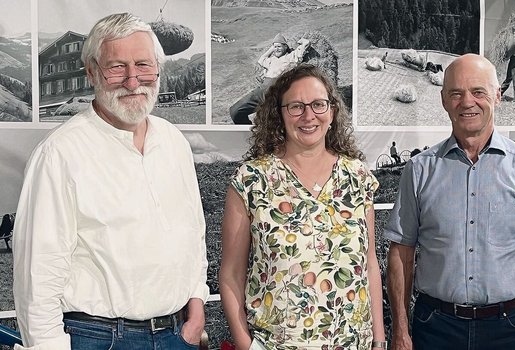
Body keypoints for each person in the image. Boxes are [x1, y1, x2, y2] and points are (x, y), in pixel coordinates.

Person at [13, 13, 209, 350]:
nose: (133, 81)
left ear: (158, 69)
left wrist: (196, 303)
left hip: (178, 334)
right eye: (117, 67)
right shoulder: (60, 153)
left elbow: (193, 231)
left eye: (144, 66)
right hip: (98, 339)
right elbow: (38, 278)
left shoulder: (174, 142)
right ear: (91, 72)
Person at [385, 54, 515, 350]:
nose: (467, 102)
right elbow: (401, 253)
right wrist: (400, 332)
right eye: (456, 93)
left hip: (511, 330)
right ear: (444, 100)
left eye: (478, 92)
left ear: (497, 96)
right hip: (435, 329)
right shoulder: (418, 170)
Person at [220, 63, 386, 349]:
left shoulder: (357, 178)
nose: (309, 116)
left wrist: (380, 341)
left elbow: (369, 264)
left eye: (318, 105)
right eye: (296, 106)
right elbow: (231, 275)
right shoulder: (252, 180)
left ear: (332, 112)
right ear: (279, 115)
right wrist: (246, 345)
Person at [230, 33, 311, 124]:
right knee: (235, 111)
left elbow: (304, 47)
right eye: (275, 47)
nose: (276, 49)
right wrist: (273, 47)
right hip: (261, 92)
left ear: (285, 47)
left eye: (279, 46)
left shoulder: (289, 57)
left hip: (275, 93)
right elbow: (261, 59)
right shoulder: (271, 60)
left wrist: (302, 42)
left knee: (269, 123)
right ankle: (246, 131)